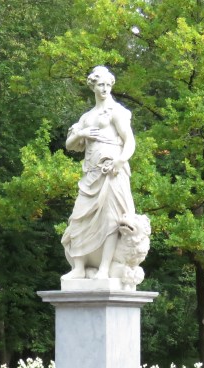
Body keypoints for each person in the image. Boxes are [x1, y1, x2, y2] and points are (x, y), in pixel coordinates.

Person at [61, 66, 136, 280]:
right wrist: (82, 133)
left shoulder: (116, 111)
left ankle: (104, 268)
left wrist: (120, 161)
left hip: (111, 172)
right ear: (93, 86)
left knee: (111, 219)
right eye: (100, 85)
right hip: (91, 174)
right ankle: (79, 267)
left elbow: (129, 141)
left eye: (107, 85)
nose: (104, 89)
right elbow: (69, 144)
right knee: (78, 217)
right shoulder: (86, 117)